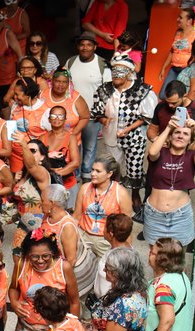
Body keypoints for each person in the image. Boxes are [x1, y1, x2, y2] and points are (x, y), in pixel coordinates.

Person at [91, 54, 157, 210]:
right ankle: (115, 194)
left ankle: (135, 194)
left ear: (129, 73)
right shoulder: (105, 89)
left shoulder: (141, 90)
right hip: (111, 135)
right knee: (113, 167)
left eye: (120, 72)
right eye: (114, 72)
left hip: (134, 137)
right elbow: (97, 111)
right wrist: (103, 120)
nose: (116, 76)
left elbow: (146, 116)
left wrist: (127, 129)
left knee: (135, 167)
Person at [65, 32, 112, 181]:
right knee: (73, 145)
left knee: (90, 147)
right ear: (78, 46)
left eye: (89, 45)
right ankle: (75, 174)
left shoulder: (102, 65)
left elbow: (108, 91)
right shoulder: (70, 62)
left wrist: (102, 114)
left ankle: (86, 175)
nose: (85, 48)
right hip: (73, 114)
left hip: (92, 115)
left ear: (95, 47)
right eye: (82, 44)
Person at [144, 117, 195, 246]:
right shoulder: (161, 152)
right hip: (154, 216)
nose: (180, 136)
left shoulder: (191, 156)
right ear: (170, 136)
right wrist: (168, 127)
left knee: (178, 260)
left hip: (180, 217)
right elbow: (152, 152)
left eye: (185, 134)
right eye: (177, 132)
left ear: (190, 140)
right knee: (155, 257)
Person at [41, 185, 96, 296]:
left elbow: (71, 259)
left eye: (42, 200)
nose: (40, 203)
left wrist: (57, 280)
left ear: (52, 203)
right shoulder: (47, 217)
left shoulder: (67, 226)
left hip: (60, 275)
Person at [73, 156, 132, 257]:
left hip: (106, 241)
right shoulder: (84, 188)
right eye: (92, 170)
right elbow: (76, 216)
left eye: (98, 171)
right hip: (83, 237)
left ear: (109, 174)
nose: (92, 174)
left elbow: (126, 225)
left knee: (106, 271)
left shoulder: (121, 193)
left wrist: (126, 249)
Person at [8, 77, 51, 174]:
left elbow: (52, 136)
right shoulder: (15, 106)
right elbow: (10, 133)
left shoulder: (45, 111)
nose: (14, 97)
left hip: (34, 158)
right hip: (16, 156)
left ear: (28, 94)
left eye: (17, 94)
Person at [42, 106, 81, 203]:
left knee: (69, 214)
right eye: (53, 115)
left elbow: (76, 162)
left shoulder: (71, 137)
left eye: (60, 116)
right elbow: (37, 161)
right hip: (48, 184)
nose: (56, 118)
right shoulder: (42, 138)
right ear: (49, 119)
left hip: (67, 184)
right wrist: (51, 172)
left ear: (65, 119)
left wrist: (58, 173)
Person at [93, 213, 134, 300]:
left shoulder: (117, 259)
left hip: (108, 302)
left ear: (111, 234)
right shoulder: (122, 248)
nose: (103, 230)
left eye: (104, 228)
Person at [157, 9, 195, 98]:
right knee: (163, 95)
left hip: (187, 71)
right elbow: (172, 51)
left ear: (189, 21)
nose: (177, 19)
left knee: (181, 96)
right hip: (174, 69)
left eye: (180, 18)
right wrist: (163, 68)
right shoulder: (178, 32)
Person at [43, 69, 90, 137]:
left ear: (68, 83)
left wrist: (73, 134)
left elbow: (85, 117)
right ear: (52, 81)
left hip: (70, 142)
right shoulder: (43, 95)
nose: (60, 85)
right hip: (47, 140)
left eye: (64, 82)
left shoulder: (75, 97)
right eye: (57, 81)